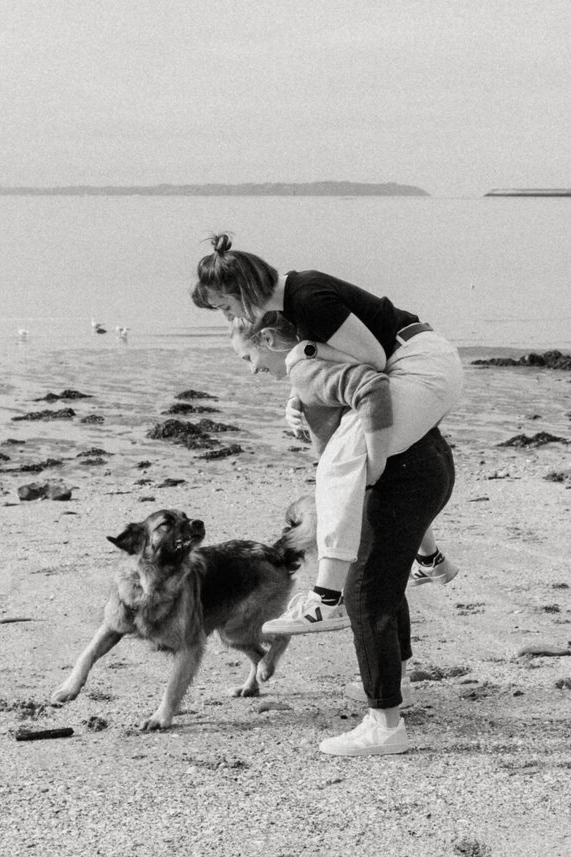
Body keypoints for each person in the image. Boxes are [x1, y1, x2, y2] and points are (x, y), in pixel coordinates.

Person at [193, 233, 462, 755]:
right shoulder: (296, 309)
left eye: (225, 306)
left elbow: (373, 367)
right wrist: (305, 395)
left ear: (242, 289)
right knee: (350, 470)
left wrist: (359, 439)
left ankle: (325, 597)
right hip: (419, 385)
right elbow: (341, 370)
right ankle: (427, 562)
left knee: (341, 465)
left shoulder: (308, 298)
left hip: (419, 364)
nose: (226, 316)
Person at [230, 314, 457, 638]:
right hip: (428, 430)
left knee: (338, 481)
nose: (251, 368)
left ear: (267, 340)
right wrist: (298, 404)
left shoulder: (309, 365)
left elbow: (368, 388)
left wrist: (375, 458)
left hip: (408, 441)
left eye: (248, 357)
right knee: (377, 537)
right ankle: (431, 558)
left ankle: (326, 599)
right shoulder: (314, 360)